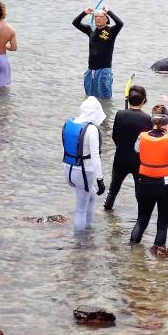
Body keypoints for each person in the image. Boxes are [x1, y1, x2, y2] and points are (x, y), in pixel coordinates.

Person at [130, 103, 168, 248]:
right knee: (162, 225)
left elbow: (136, 150)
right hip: (165, 186)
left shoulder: (141, 137)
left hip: (144, 183)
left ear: (152, 120)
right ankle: (158, 257)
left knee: (141, 221)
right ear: (167, 121)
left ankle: (132, 252)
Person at [104, 85, 152, 211]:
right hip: (139, 161)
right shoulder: (148, 119)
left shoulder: (120, 114)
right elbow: (148, 144)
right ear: (144, 100)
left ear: (129, 100)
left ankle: (107, 214)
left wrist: (122, 147)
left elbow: (115, 136)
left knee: (113, 190)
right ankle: (141, 220)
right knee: (140, 193)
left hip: (120, 158)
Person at [62, 96, 106, 233]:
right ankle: (80, 244)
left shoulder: (70, 123)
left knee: (91, 196)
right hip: (83, 172)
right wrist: (100, 179)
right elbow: (95, 157)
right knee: (80, 210)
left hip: (68, 169)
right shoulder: (91, 130)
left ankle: (89, 227)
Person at [72, 6, 124, 100]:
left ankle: (106, 115)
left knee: (105, 100)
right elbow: (75, 23)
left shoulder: (110, 31)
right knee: (90, 99)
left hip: (104, 71)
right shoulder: (91, 30)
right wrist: (85, 13)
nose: (98, 18)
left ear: (106, 18)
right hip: (90, 71)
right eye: (96, 16)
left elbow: (120, 23)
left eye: (101, 16)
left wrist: (109, 12)